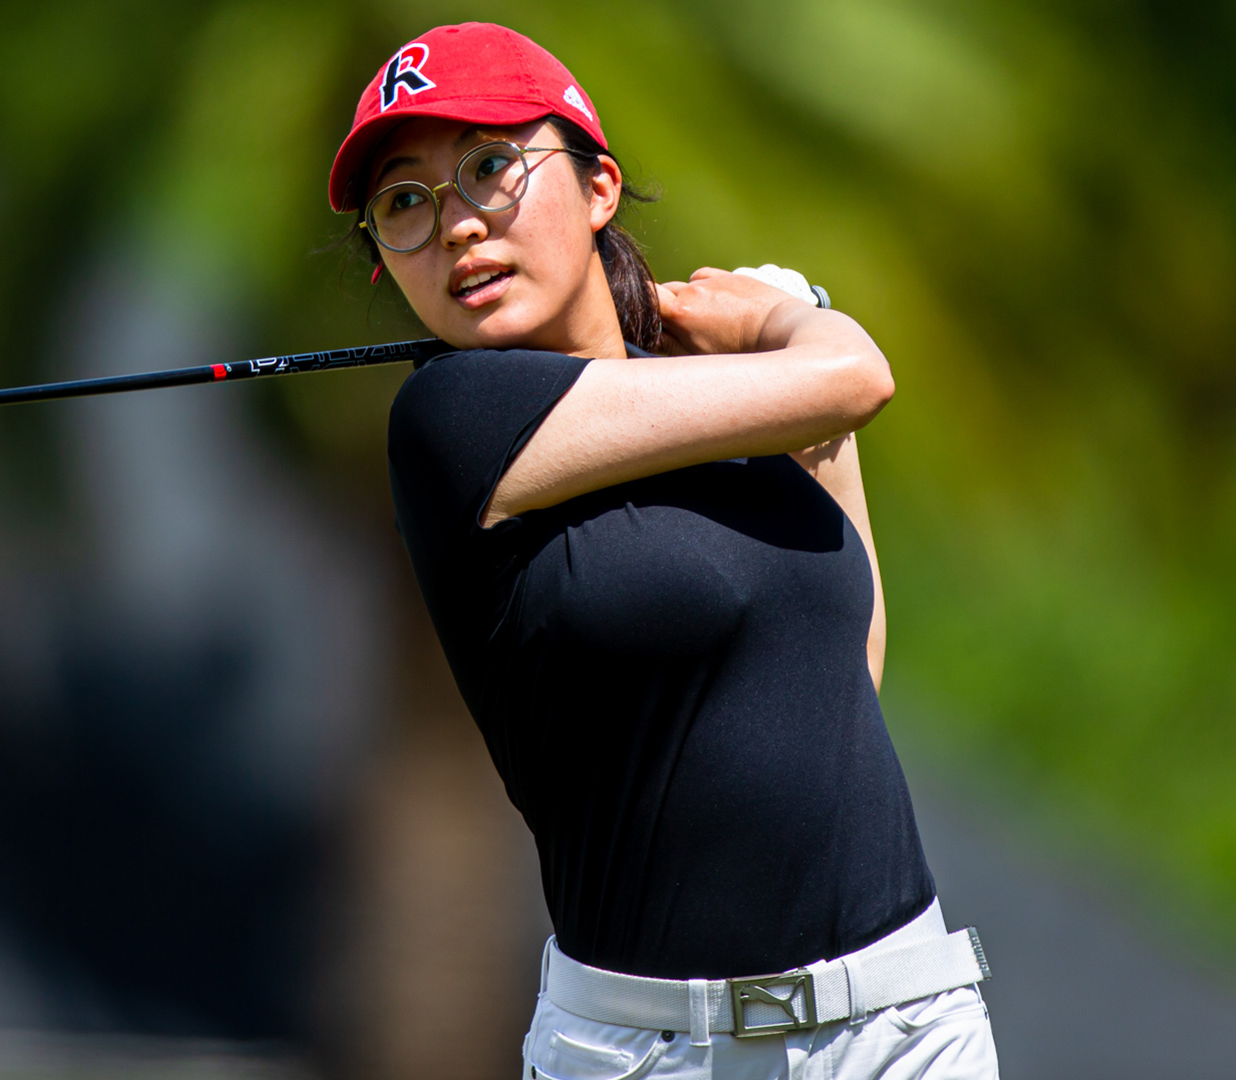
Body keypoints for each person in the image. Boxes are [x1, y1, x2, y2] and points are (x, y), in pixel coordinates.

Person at [330, 23, 999, 1079]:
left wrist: (789, 391)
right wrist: (791, 316)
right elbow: (857, 375)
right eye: (404, 203)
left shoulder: (733, 407)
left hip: (906, 1025)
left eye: (491, 167)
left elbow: (840, 679)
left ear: (600, 188)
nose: (456, 225)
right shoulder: (451, 421)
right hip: (648, 1052)